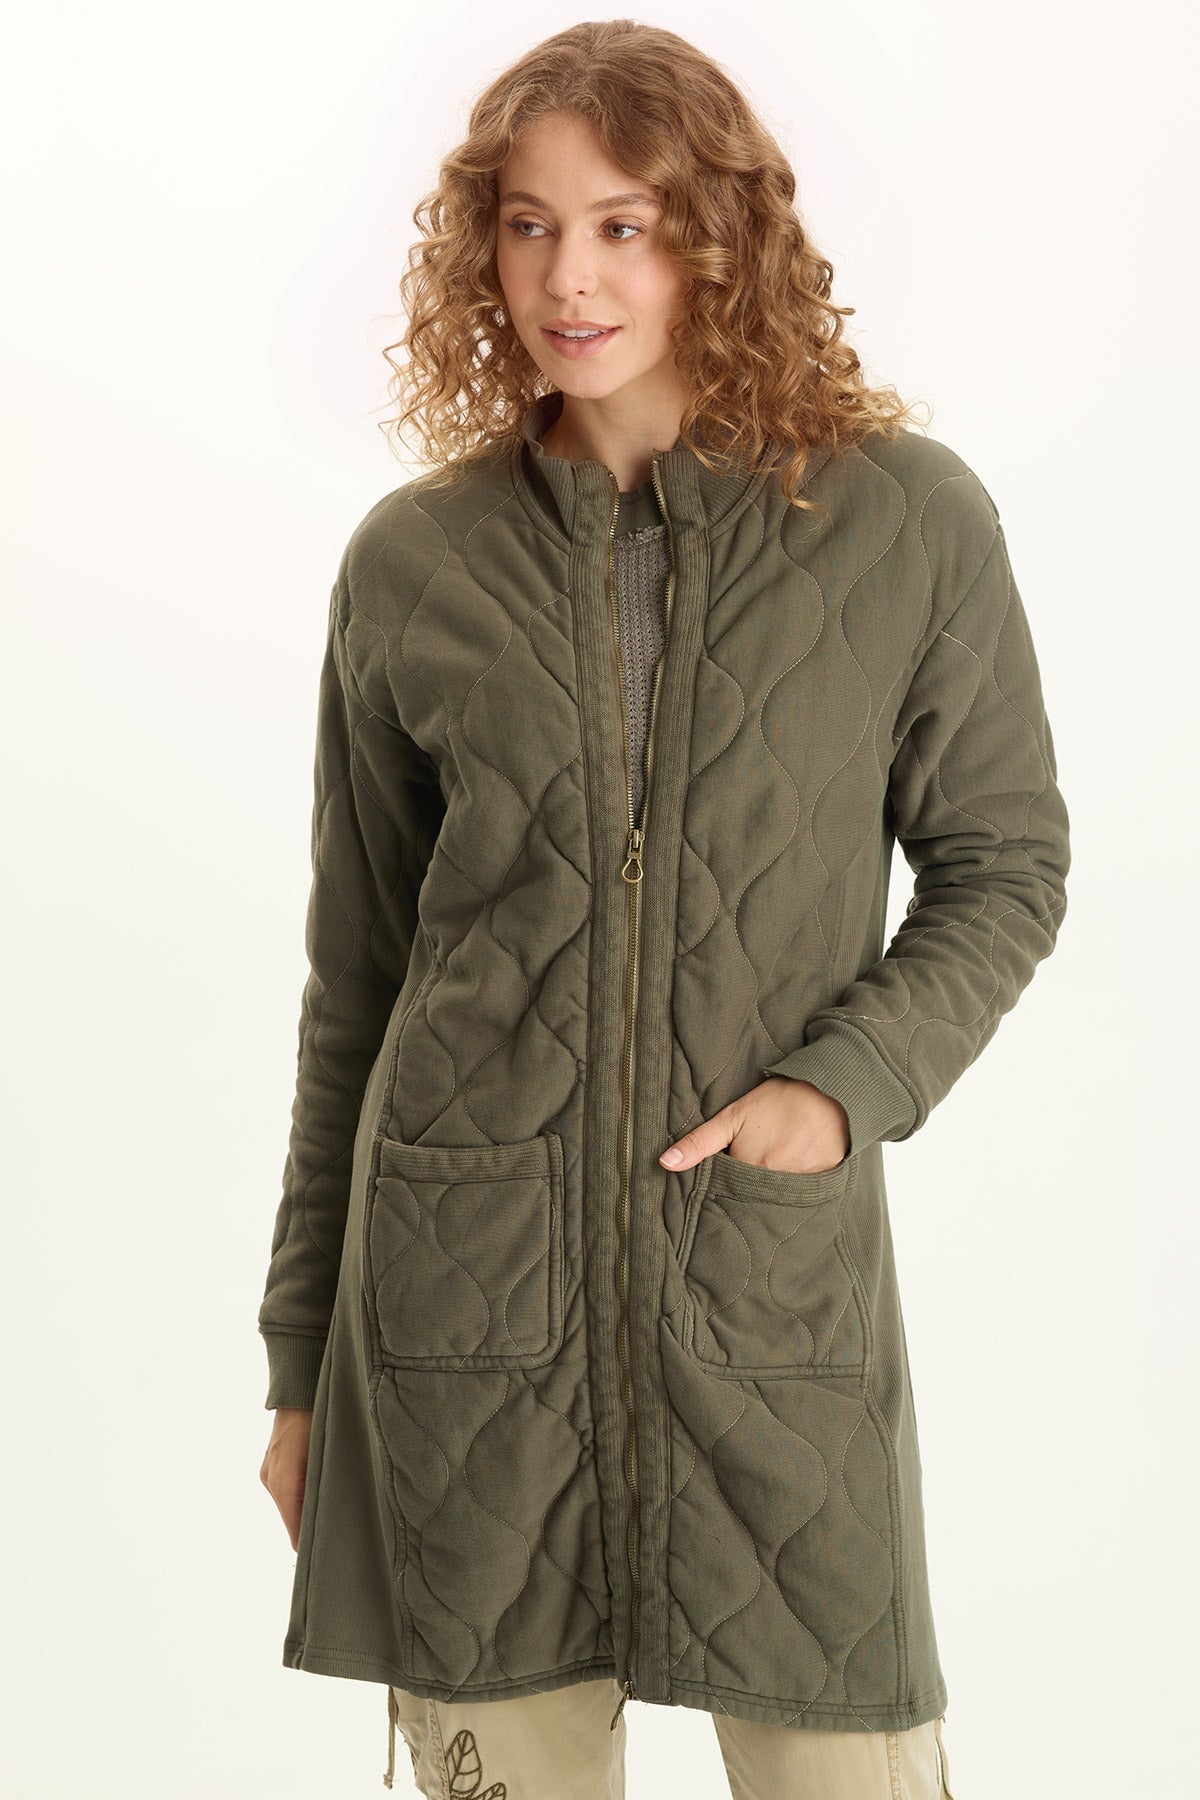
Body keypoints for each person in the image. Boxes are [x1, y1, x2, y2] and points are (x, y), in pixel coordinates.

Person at [258, 20, 1069, 1798]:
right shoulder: (414, 562)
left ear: (718, 235)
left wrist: (844, 1086)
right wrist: (300, 1364)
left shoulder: (906, 523)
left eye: (624, 226)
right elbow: (359, 987)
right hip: (463, 1329)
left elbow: (1006, 863)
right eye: (531, 226)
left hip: (769, 1309)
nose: (572, 277)